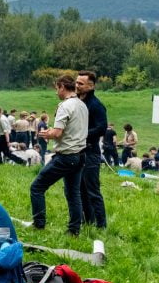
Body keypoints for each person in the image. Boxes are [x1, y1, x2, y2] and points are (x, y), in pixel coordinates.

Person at [31, 75, 89, 235]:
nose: (57, 92)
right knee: (73, 193)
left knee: (37, 187)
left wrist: (46, 134)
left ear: (62, 87)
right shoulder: (82, 105)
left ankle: (39, 224)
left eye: (57, 88)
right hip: (80, 155)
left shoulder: (65, 106)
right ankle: (74, 230)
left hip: (65, 156)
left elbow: (57, 132)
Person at [76, 71, 108, 230]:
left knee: (92, 190)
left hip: (91, 152)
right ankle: (88, 221)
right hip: (78, 152)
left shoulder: (96, 105)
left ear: (91, 86)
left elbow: (102, 128)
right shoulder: (77, 102)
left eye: (81, 84)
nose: (77, 86)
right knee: (81, 189)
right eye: (76, 82)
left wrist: (82, 135)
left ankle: (101, 225)